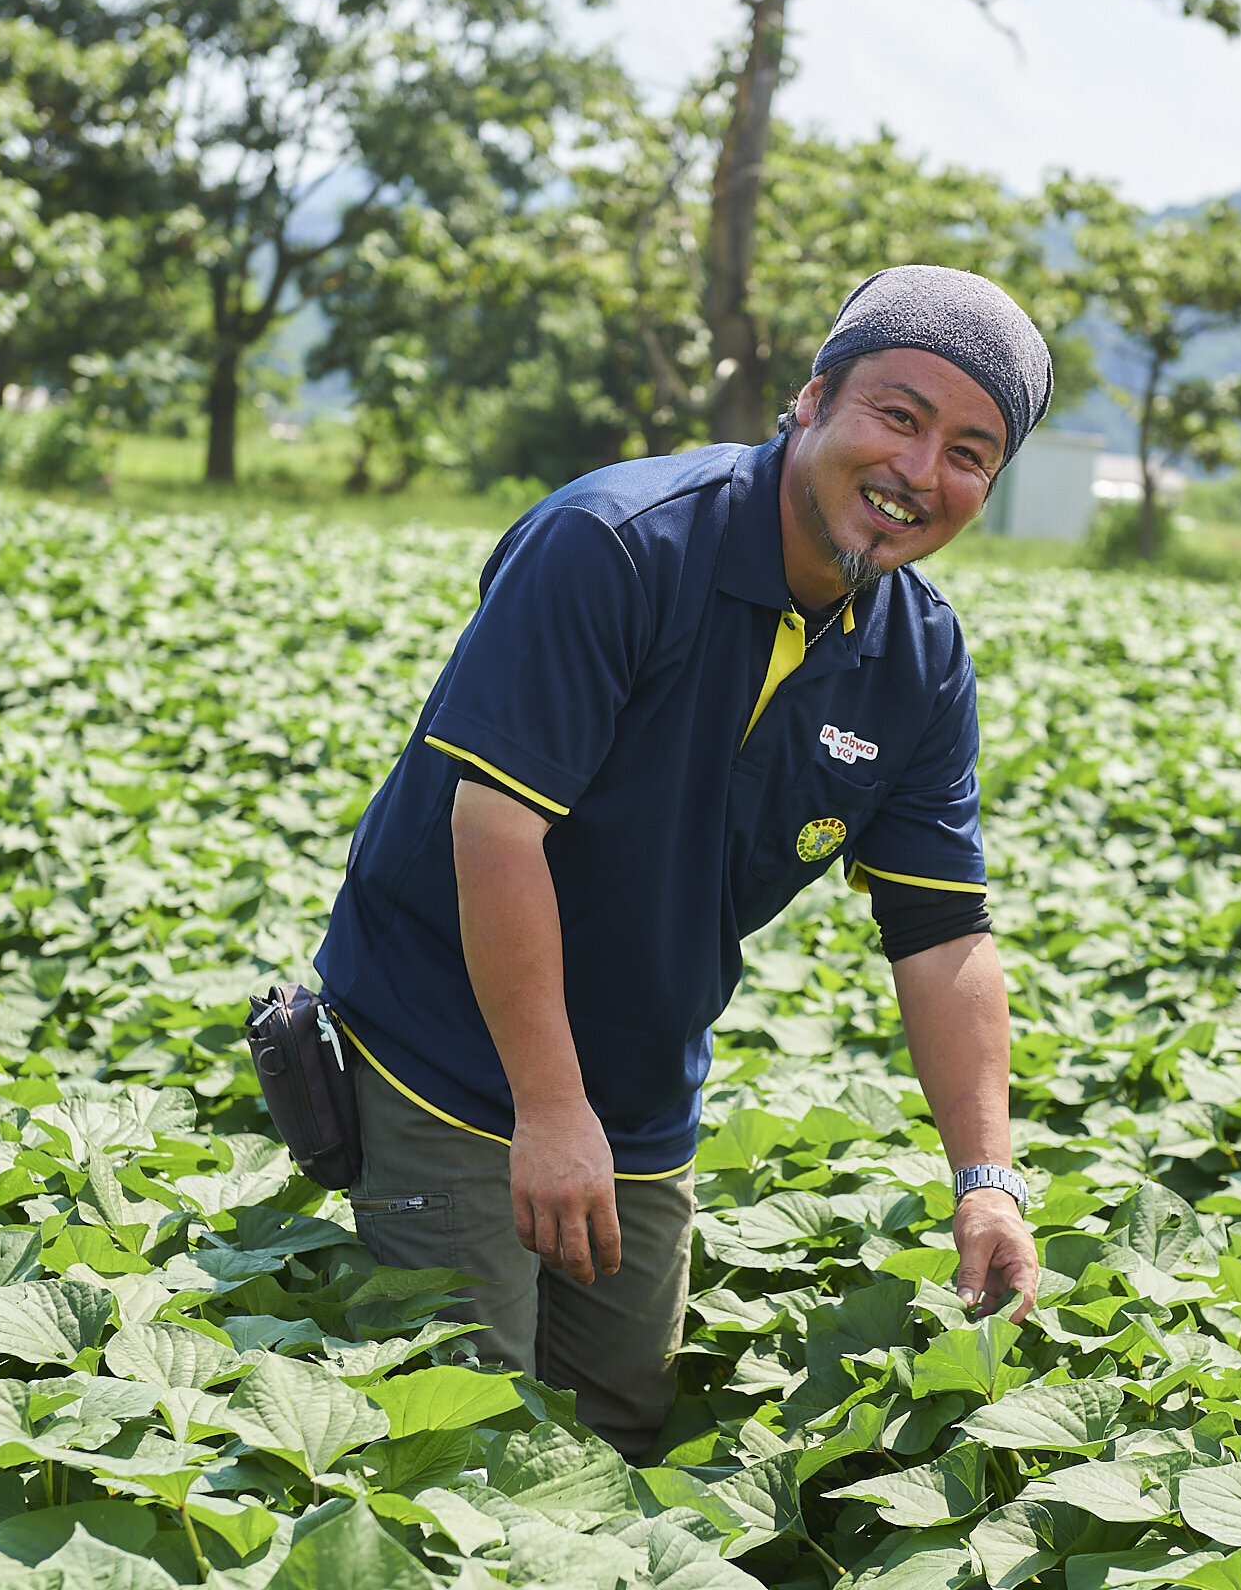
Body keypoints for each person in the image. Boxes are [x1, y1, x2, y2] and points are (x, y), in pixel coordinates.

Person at [313, 264, 1048, 1461]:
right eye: (898, 416)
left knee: (618, 1429)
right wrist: (547, 1109)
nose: (921, 472)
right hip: (444, 1053)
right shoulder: (614, 545)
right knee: (458, 1432)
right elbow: (494, 831)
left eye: (969, 451)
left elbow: (944, 933)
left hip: (643, 1083)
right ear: (811, 401)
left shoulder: (917, 657)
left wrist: (986, 1177)